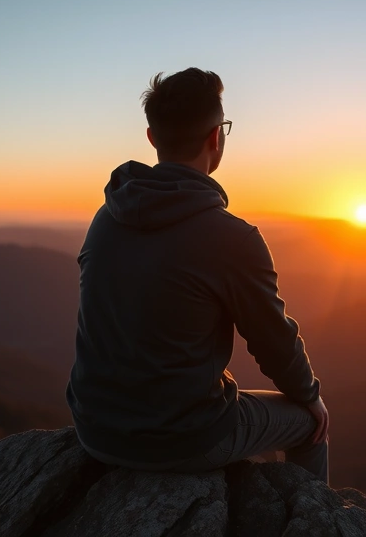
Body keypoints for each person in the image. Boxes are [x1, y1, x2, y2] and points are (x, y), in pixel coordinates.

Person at [66, 67, 329, 484]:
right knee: (309, 426)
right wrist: (310, 397)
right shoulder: (232, 238)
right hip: (184, 439)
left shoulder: (106, 217)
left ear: (152, 138)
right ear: (215, 138)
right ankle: (311, 520)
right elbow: (273, 341)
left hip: (94, 429)